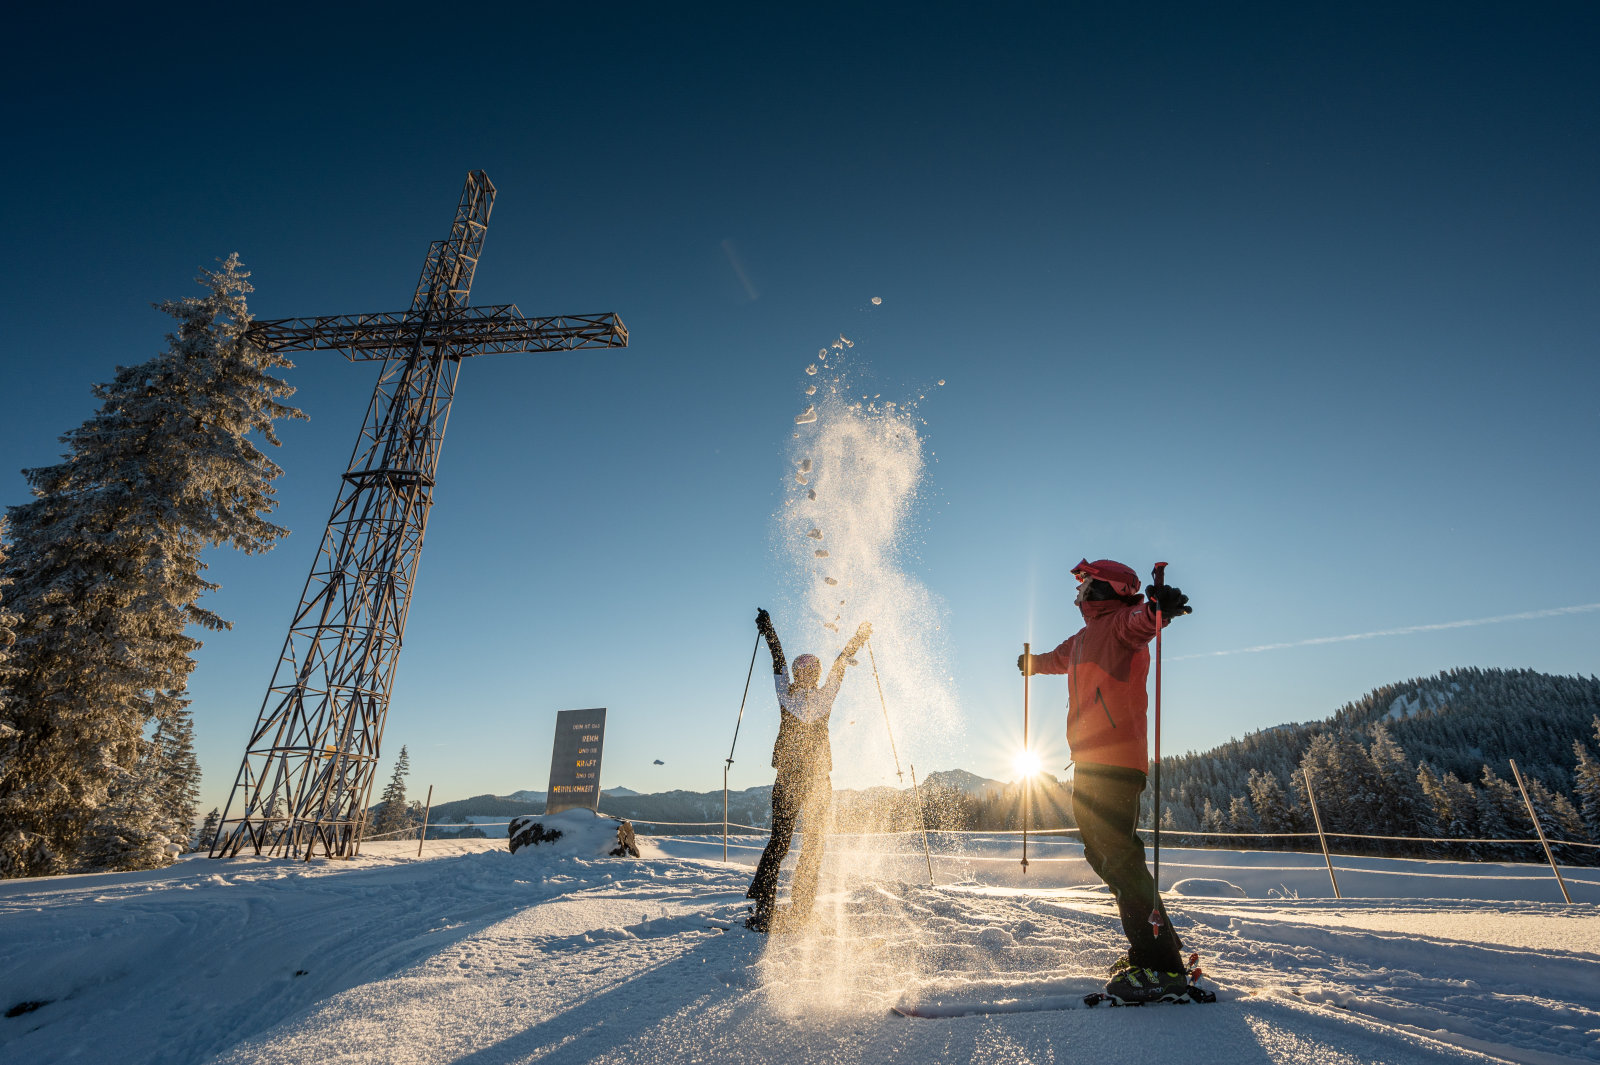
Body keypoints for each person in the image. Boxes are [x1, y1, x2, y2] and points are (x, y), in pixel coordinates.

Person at [1018, 558, 1196, 1003]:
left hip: (1116, 759)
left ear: (1109, 589)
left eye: (1086, 583)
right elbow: (1057, 659)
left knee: (1118, 855)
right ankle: (1158, 949)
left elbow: (1143, 623)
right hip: (1090, 760)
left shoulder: (1119, 623)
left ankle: (1160, 966)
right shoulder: (1082, 638)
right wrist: (1032, 664)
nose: (1078, 592)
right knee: (1104, 854)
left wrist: (1159, 609)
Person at [745, 608, 872, 932]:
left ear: (805, 675)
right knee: (813, 843)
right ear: (814, 676)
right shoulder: (823, 696)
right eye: (806, 671)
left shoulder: (785, 695)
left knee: (779, 843)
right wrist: (858, 637)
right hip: (816, 781)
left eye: (803, 671)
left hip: (789, 780)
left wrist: (769, 629)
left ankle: (764, 910)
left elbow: (778, 661)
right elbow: (840, 664)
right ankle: (801, 911)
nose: (801, 675)